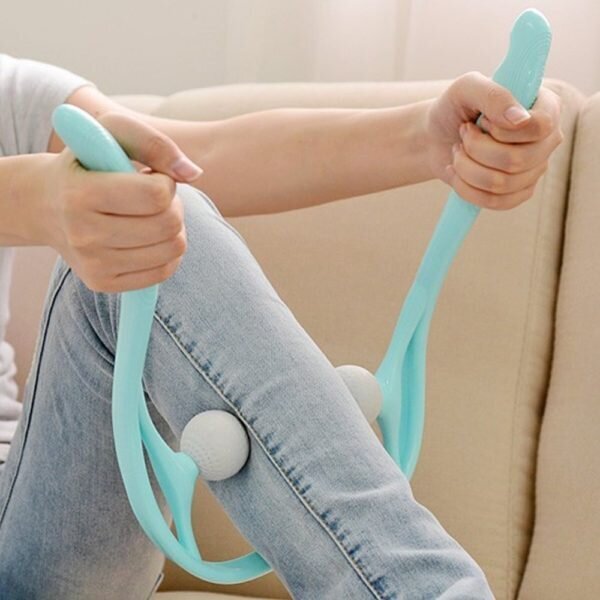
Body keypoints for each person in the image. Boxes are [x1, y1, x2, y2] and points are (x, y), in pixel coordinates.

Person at [0, 54, 562, 599]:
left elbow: (197, 156)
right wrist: (35, 198)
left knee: (151, 218)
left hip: (32, 530)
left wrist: (430, 136)